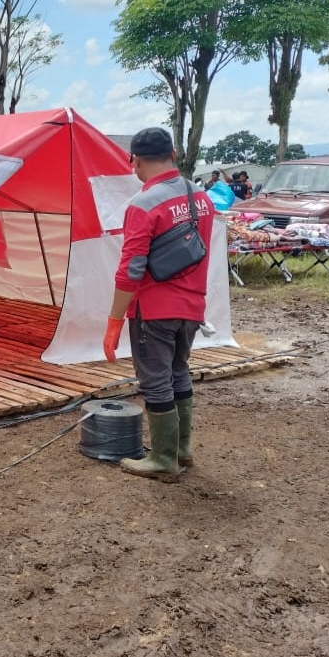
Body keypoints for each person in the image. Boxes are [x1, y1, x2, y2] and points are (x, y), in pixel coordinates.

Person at [104, 127, 215, 482]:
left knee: (155, 381)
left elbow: (130, 270)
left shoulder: (143, 204)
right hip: (192, 307)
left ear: (134, 160)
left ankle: (163, 459)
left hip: (154, 310)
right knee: (178, 371)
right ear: (174, 154)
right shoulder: (201, 197)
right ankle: (182, 450)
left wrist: (114, 320)